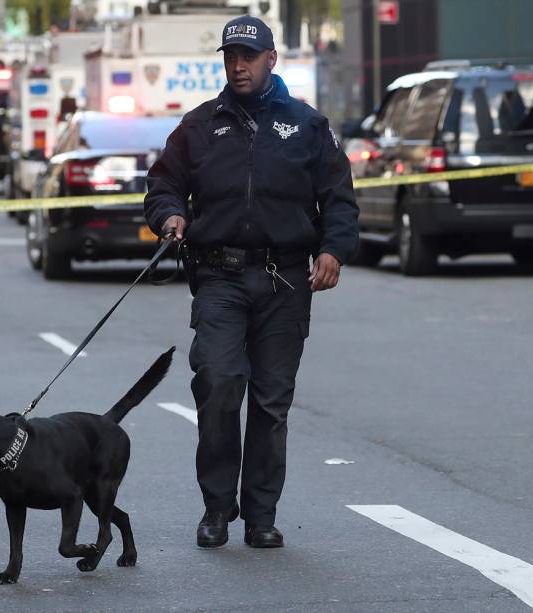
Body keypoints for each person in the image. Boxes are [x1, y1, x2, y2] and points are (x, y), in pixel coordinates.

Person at [144, 16, 359, 550]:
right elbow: (163, 184)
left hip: (286, 279)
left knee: (270, 402)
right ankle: (218, 507)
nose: (238, 66)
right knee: (218, 384)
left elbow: (339, 199)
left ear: (271, 60)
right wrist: (168, 215)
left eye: (248, 56)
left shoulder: (307, 126)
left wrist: (332, 249)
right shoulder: (198, 126)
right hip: (218, 275)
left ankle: (261, 515)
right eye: (230, 57)